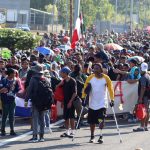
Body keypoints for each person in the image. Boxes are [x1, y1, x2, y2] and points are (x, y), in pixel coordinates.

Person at [82, 63, 114, 143]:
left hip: (102, 103)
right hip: (92, 103)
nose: (95, 70)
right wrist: (83, 98)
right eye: (94, 68)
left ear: (101, 69)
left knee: (101, 119)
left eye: (97, 68)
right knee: (92, 122)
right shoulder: (90, 78)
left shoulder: (106, 78)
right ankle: (92, 136)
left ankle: (100, 135)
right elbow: (85, 88)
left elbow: (110, 89)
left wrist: (112, 99)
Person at [25, 64, 49, 142]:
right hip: (44, 102)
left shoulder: (33, 79)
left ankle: (35, 136)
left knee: (35, 118)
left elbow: (29, 90)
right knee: (42, 119)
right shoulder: (45, 79)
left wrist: (26, 100)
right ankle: (42, 137)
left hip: (35, 101)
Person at [0, 68, 20, 136]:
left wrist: (15, 90)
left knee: (12, 115)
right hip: (5, 100)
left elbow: (18, 89)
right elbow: (1, 90)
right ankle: (3, 130)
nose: (14, 74)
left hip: (12, 100)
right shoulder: (4, 80)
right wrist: (7, 88)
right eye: (13, 73)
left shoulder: (16, 80)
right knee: (4, 115)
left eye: (15, 73)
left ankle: (12, 130)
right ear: (9, 73)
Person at [59, 67, 77, 138]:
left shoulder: (73, 81)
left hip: (71, 101)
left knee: (71, 116)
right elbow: (62, 92)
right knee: (66, 117)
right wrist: (63, 101)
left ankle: (73, 132)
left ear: (65, 73)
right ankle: (67, 132)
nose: (61, 74)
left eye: (62, 72)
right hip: (65, 101)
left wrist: (70, 102)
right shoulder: (63, 81)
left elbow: (75, 93)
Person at [133, 62, 150, 132]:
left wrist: (140, 98)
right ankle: (146, 126)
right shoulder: (148, 76)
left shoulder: (143, 77)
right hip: (148, 96)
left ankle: (142, 127)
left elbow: (143, 87)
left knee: (143, 111)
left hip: (144, 97)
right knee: (147, 111)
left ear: (141, 69)